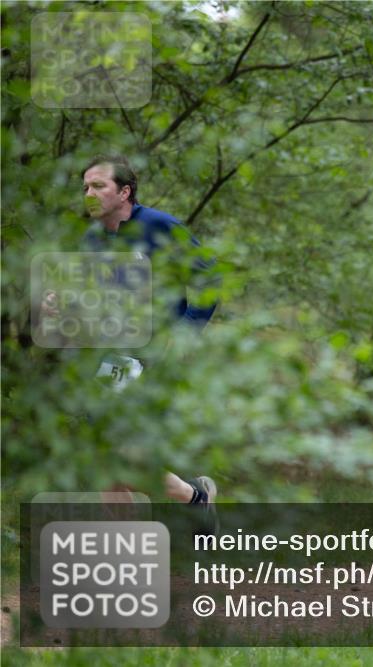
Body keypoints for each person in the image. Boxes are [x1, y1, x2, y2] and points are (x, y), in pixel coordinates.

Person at [78, 154, 219, 516]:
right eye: (85, 188)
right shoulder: (92, 239)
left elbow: (209, 281)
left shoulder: (161, 227)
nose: (89, 194)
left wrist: (184, 334)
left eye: (98, 186)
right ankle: (194, 499)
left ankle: (195, 498)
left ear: (125, 192)